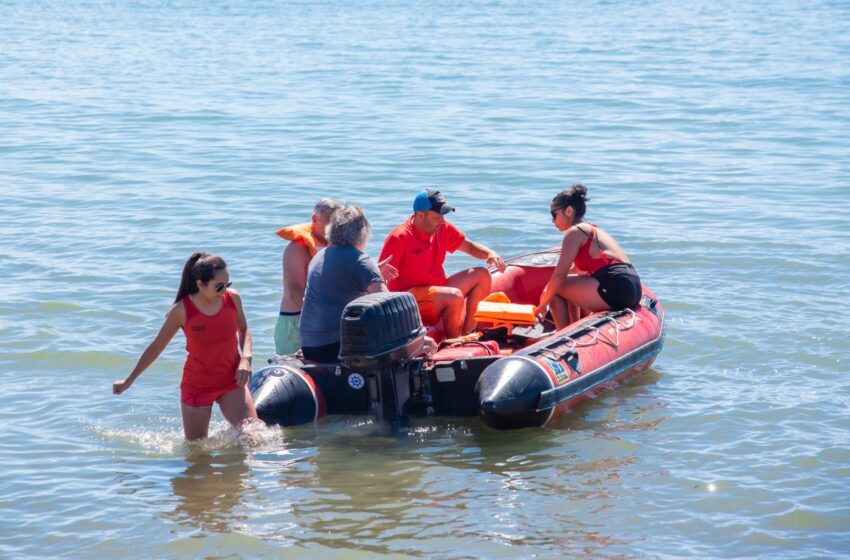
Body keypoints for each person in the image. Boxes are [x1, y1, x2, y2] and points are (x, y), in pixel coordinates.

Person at [113, 252, 259, 441]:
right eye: (218, 286)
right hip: (198, 385)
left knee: (254, 436)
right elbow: (156, 346)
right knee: (197, 452)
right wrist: (129, 380)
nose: (224, 291)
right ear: (200, 284)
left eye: (227, 284)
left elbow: (244, 330)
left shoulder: (233, 299)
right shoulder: (182, 311)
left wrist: (245, 358)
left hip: (231, 380)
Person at [378, 189, 506, 339]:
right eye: (437, 216)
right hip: (410, 300)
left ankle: (468, 333)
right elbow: (376, 276)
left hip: (437, 291)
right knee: (454, 296)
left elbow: (469, 246)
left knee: (482, 275)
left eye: (443, 216)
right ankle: (454, 342)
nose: (442, 221)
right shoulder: (399, 237)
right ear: (420, 215)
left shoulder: (442, 228)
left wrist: (490, 253)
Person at [535, 184, 642, 329]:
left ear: (568, 211)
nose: (552, 221)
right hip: (634, 287)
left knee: (555, 288)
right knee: (563, 285)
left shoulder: (574, 232)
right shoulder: (592, 230)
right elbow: (574, 274)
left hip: (616, 286)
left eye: (554, 215)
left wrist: (542, 305)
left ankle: (562, 335)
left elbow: (559, 276)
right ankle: (573, 328)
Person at [299, 205, 391, 363]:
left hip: (309, 345)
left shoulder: (319, 256)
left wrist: (373, 273)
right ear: (362, 233)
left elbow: (339, 287)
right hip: (336, 346)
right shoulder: (360, 260)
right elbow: (388, 307)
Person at [274, 198, 344, 356]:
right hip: (297, 321)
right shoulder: (296, 249)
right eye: (328, 221)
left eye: (337, 222)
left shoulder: (337, 247)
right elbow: (295, 291)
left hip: (328, 322)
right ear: (314, 218)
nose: (332, 227)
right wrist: (316, 322)